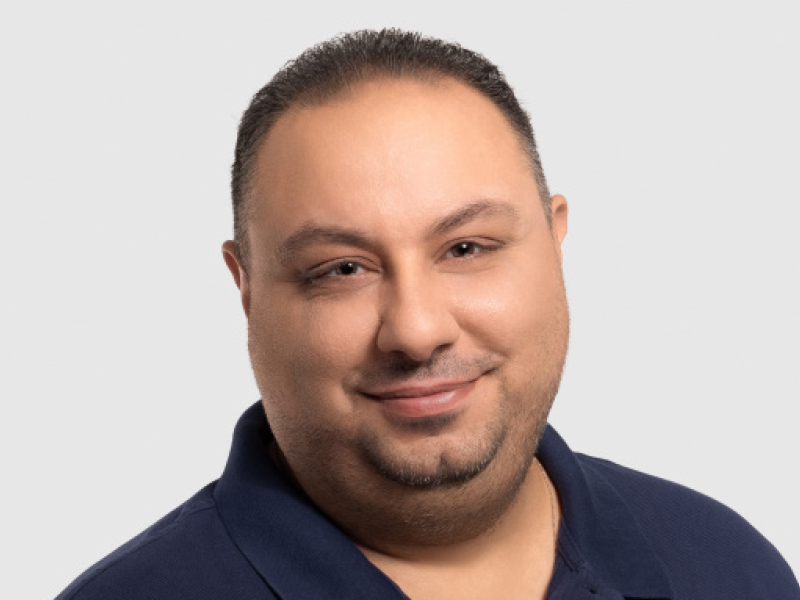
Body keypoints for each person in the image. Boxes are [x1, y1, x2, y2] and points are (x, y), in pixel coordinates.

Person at [55, 28, 799, 600]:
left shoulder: (726, 566)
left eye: (466, 248)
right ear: (245, 290)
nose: (415, 330)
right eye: (342, 269)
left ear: (555, 243)